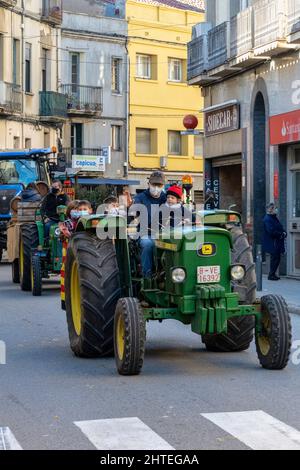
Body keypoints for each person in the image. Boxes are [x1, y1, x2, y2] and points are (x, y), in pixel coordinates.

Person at [134, 171, 167, 278]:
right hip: (145, 233)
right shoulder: (140, 198)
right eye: (154, 185)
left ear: (163, 185)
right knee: (148, 244)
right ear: (148, 184)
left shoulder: (167, 198)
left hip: (165, 234)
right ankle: (147, 277)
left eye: (159, 185)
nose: (156, 187)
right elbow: (133, 210)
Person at [262, 203, 287, 281]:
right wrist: (281, 234)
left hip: (277, 241)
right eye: (275, 208)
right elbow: (271, 231)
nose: (276, 209)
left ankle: (272, 274)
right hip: (273, 242)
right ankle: (271, 275)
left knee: (277, 258)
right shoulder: (267, 219)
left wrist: (284, 232)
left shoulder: (273, 217)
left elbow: (279, 227)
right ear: (270, 209)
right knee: (275, 258)